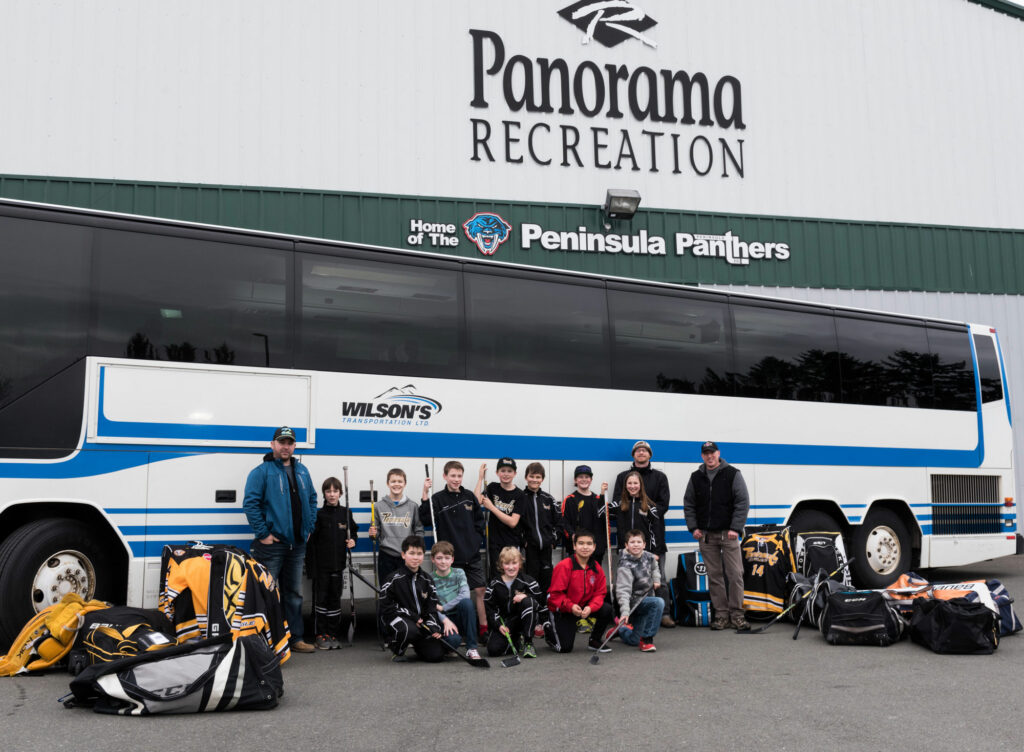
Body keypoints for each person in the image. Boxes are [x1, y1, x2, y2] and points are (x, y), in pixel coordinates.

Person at [243, 426, 318, 653]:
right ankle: (262, 642)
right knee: (266, 594)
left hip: (297, 545)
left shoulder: (303, 470)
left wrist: (309, 527)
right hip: (271, 547)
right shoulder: (261, 472)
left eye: (290, 443)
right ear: (273, 444)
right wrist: (264, 534)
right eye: (282, 442)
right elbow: (250, 504)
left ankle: (295, 639)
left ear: (294, 446)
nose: (286, 446)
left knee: (294, 594)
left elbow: (313, 499)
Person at [683, 441, 751, 631]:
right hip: (706, 536)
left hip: (728, 534)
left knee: (735, 574)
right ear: (702, 456)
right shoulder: (696, 477)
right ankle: (721, 615)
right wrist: (693, 527)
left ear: (718, 453)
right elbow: (689, 504)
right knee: (714, 576)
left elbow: (742, 502)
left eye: (712, 453)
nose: (709, 456)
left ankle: (737, 615)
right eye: (706, 453)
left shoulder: (732, 474)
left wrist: (735, 529)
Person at [419, 461, 488, 635]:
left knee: (480, 589)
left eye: (459, 476)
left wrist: (475, 541)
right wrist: (425, 493)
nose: (456, 479)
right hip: (450, 558)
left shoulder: (469, 497)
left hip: (471, 554)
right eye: (452, 476)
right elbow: (426, 519)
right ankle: (454, 629)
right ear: (445, 476)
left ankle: (483, 629)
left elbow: (480, 522)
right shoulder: (438, 498)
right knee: (451, 595)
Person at [613, 440, 675, 628]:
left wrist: (654, 547)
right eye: (638, 451)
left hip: (651, 541)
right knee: (628, 580)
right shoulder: (622, 476)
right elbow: (617, 503)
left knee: (659, 579)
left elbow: (663, 505)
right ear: (633, 455)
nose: (641, 453)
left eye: (644, 450)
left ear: (649, 454)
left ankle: (664, 614)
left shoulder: (659, 477)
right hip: (628, 543)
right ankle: (626, 615)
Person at [378, 535, 455, 663]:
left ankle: (419, 647)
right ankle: (397, 649)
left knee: (436, 656)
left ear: (423, 555)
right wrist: (411, 616)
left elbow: (431, 607)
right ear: (403, 555)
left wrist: (433, 626)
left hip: (421, 623)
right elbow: (386, 607)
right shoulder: (393, 579)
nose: (415, 557)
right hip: (400, 620)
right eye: (411, 553)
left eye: (419, 554)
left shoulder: (427, 580)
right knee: (409, 630)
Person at [304, 476, 358, 650]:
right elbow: (311, 544)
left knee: (335, 601)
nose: (332, 494)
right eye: (328, 491)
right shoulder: (318, 515)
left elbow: (353, 532)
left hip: (339, 565)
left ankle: (333, 634)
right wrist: (311, 568)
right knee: (321, 602)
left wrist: (353, 541)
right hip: (321, 568)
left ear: (340, 493)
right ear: (324, 494)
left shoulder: (346, 513)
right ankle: (320, 635)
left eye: (335, 491)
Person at [545, 530, 614, 654]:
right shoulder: (564, 566)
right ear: (574, 546)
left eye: (589, 544)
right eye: (581, 543)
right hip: (564, 608)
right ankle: (548, 629)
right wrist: (570, 606)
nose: (585, 547)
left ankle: (595, 640)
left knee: (607, 609)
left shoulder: (596, 567)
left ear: (594, 547)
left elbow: (600, 593)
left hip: (583, 606)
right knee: (564, 648)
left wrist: (591, 608)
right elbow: (555, 595)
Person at [483, 547, 546, 658]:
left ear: (520, 564)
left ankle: (528, 642)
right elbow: (489, 607)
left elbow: (540, 599)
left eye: (514, 563)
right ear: (501, 565)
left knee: (528, 602)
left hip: (522, 620)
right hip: (505, 622)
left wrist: (525, 596)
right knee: (493, 650)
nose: (511, 567)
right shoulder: (494, 583)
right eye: (507, 564)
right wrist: (498, 625)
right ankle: (517, 641)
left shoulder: (528, 581)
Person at [612, 529, 665, 652]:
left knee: (633, 640)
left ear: (644, 544)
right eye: (632, 542)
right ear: (626, 545)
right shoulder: (625, 566)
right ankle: (646, 640)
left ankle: (621, 630)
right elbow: (623, 591)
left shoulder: (649, 557)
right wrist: (625, 612)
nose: (636, 545)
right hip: (634, 603)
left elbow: (655, 568)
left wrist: (656, 579)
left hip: (647, 600)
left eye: (638, 542)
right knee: (658, 602)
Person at [369, 468, 426, 582]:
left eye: (400, 481)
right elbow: (375, 535)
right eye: (393, 481)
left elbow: (419, 530)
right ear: (388, 483)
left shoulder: (413, 506)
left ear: (405, 484)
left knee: (407, 590)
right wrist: (372, 534)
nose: (396, 484)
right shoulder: (378, 506)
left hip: (407, 556)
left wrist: (413, 550)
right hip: (386, 555)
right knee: (387, 589)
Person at [430, 540, 481, 660]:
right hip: (442, 620)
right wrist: (444, 618)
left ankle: (472, 648)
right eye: (439, 558)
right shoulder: (429, 578)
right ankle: (448, 645)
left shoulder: (459, 573)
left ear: (452, 559)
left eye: (447, 558)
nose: (443, 561)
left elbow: (465, 595)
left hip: (459, 616)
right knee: (454, 641)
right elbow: (430, 605)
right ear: (433, 559)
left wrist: (443, 607)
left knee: (467, 603)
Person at [475, 458, 525, 576]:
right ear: (497, 473)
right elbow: (476, 501)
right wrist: (480, 478)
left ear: (515, 474)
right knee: (496, 576)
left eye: (509, 471)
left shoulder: (520, 495)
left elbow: (513, 522)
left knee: (512, 575)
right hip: (495, 544)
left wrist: (492, 508)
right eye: (503, 470)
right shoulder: (492, 488)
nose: (506, 474)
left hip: (512, 544)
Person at [519, 462, 562, 599]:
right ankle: (533, 610)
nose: (534, 480)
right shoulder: (520, 497)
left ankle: (546, 611)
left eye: (538, 477)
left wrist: (553, 540)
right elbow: (515, 524)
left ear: (542, 479)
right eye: (532, 476)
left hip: (546, 549)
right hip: (529, 548)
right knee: (530, 580)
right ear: (526, 477)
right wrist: (523, 541)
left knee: (546, 581)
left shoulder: (548, 499)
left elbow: (560, 521)